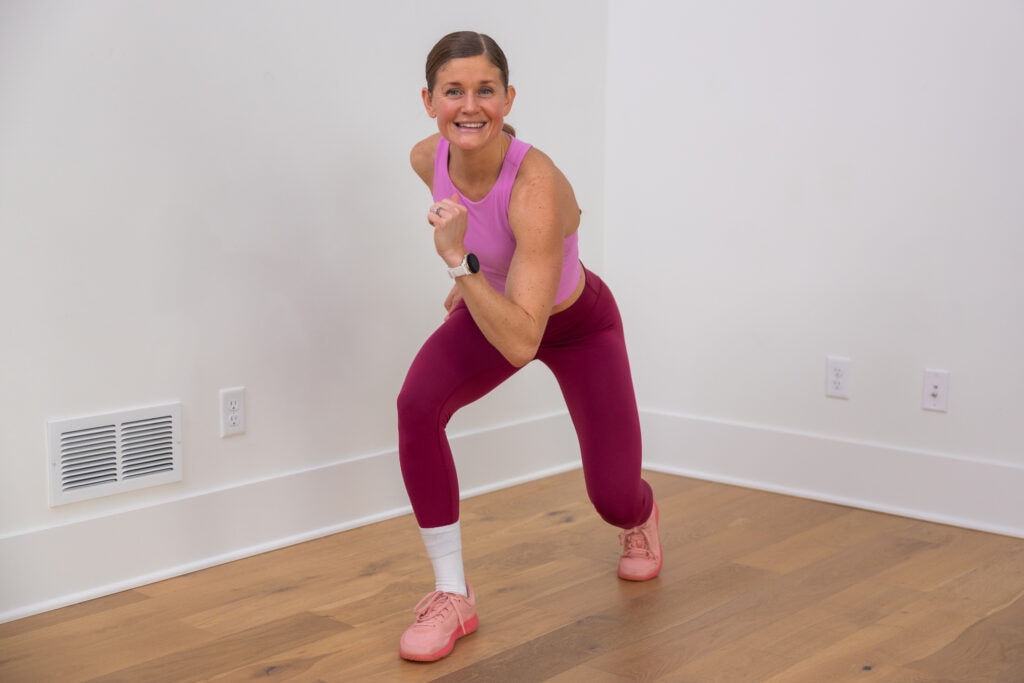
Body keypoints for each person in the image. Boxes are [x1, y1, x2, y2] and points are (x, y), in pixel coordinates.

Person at [396, 30, 661, 663]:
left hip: (576, 327)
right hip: (502, 310)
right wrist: (480, 276)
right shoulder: (424, 157)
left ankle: (642, 517)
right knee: (416, 405)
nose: (469, 106)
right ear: (428, 100)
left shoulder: (537, 187)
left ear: (508, 98)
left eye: (485, 90)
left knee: (612, 499)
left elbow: (522, 341)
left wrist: (461, 264)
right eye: (452, 91)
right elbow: (486, 245)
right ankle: (452, 594)